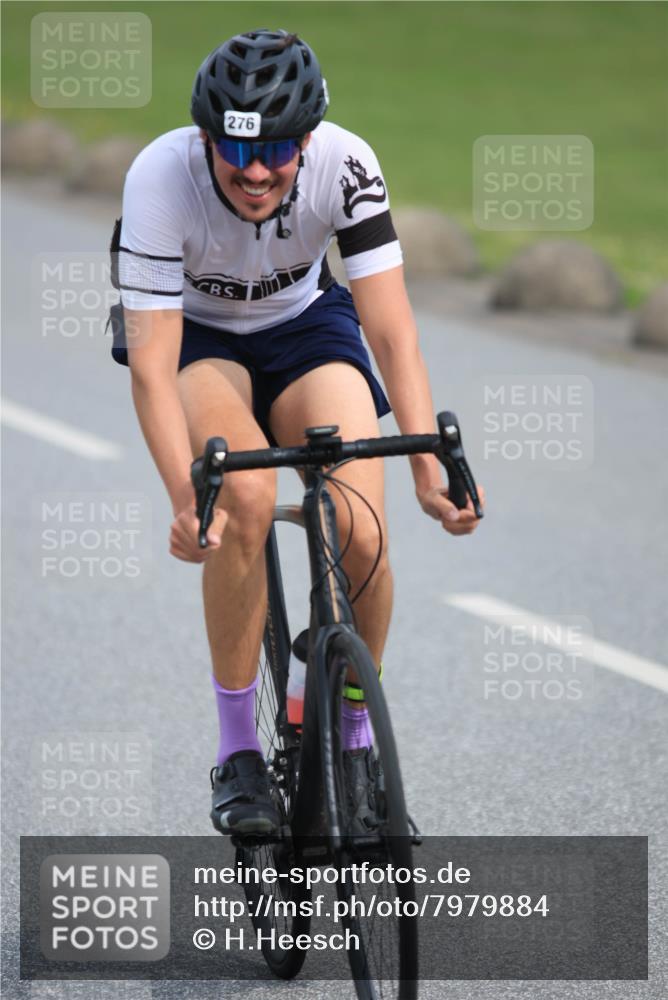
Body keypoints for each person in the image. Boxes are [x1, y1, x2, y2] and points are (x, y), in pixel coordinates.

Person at [109, 28, 483, 837]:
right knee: (243, 493)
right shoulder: (159, 178)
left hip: (307, 325)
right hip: (200, 338)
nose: (252, 171)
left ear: (306, 140)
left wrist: (427, 467)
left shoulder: (346, 163)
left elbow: (392, 333)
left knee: (360, 525)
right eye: (233, 149)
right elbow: (151, 368)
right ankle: (239, 751)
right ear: (206, 137)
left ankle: (351, 735)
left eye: (275, 149)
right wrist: (186, 498)